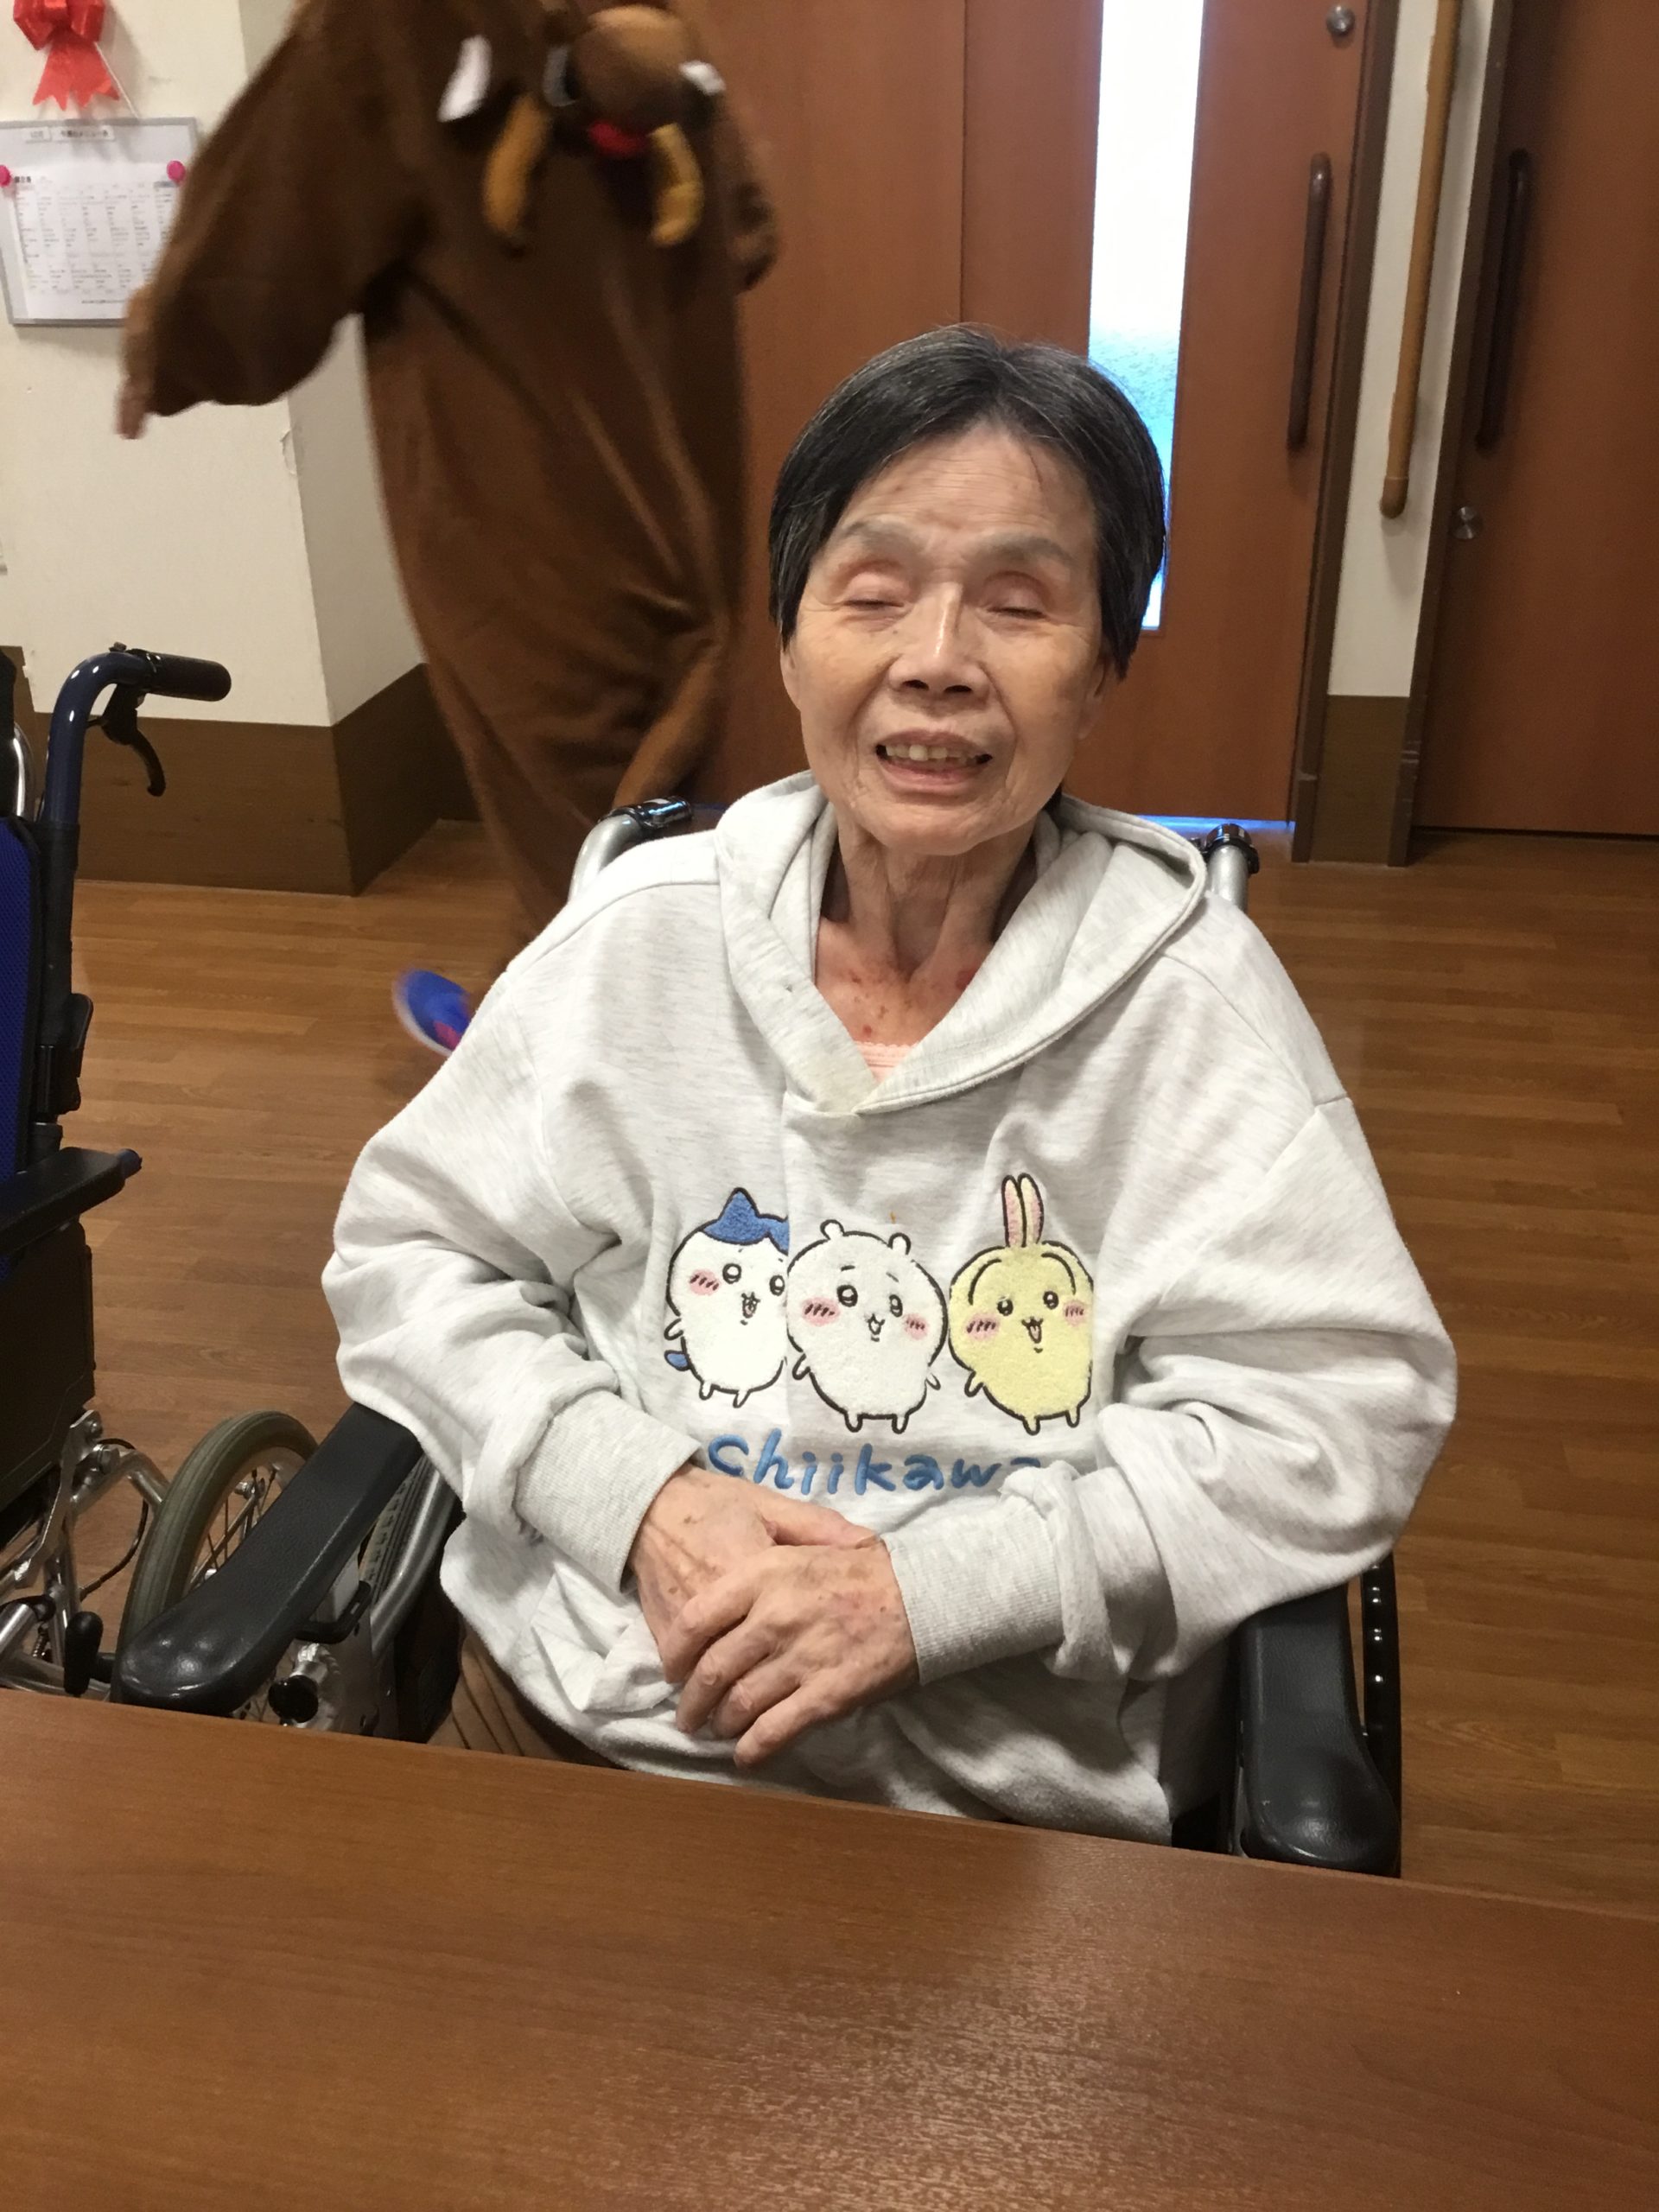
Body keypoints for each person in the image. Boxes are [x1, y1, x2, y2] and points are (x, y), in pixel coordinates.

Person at [323, 327, 1455, 1840]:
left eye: (1020, 602)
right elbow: (408, 1253)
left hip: (1014, 1811)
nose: (936, 660)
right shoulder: (635, 943)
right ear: (791, 642)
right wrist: (636, 1495)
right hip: (580, 1731)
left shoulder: (1193, 1010)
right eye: (872, 593)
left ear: (1102, 667)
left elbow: (1340, 1404)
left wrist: (942, 1592)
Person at [118, 0, 776, 1051]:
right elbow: (746, 226)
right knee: (643, 825)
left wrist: (163, 340)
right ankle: (555, 1015)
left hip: (521, 529)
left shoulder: (396, 19)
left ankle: (562, 1076)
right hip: (683, 504)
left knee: (582, 868)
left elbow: (253, 278)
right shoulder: (659, 15)